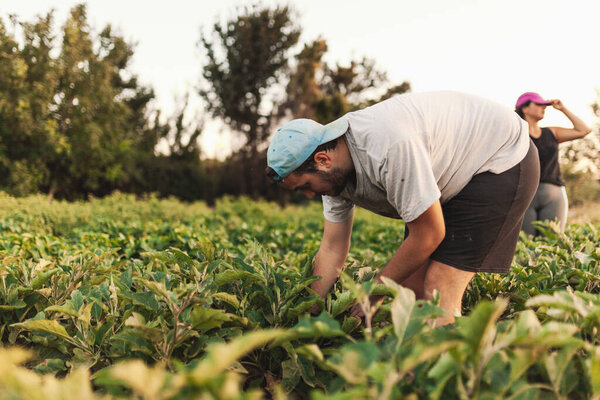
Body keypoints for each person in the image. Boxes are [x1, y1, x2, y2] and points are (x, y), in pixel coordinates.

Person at [266, 91, 539, 326]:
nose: (310, 195)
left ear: (322, 159)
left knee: (439, 286)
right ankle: (421, 371)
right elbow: (332, 248)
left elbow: (429, 235)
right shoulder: (331, 172)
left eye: (306, 186)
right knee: (411, 291)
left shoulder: (387, 147)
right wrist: (307, 316)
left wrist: (374, 292)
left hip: (501, 156)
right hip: (451, 176)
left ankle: (453, 377)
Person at [515, 92, 592, 236]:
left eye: (545, 105)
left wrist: (563, 109)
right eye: (539, 104)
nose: (544, 108)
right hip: (526, 194)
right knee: (525, 245)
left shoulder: (552, 132)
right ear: (525, 108)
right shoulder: (516, 134)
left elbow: (584, 130)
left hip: (553, 194)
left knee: (551, 242)